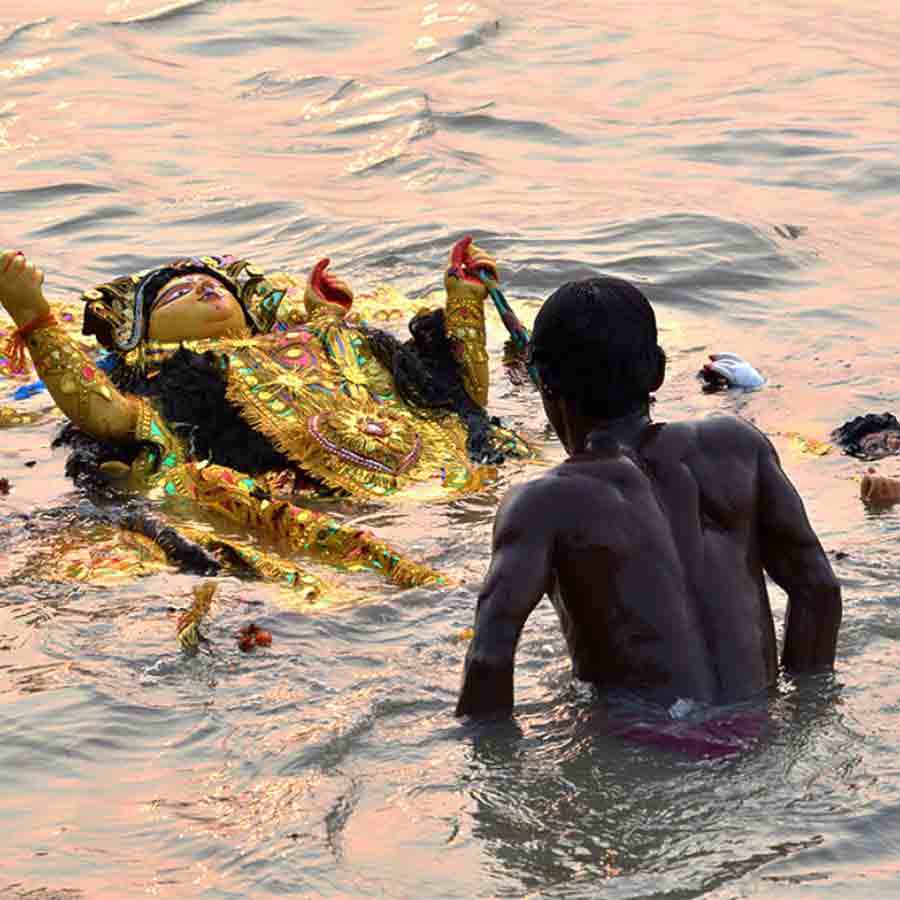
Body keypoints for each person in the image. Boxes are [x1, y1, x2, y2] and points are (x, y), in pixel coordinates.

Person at [0, 240, 529, 594]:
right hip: (315, 507)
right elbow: (106, 416)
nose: (205, 289)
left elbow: (452, 400)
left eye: (216, 287)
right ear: (141, 335)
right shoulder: (176, 380)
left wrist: (464, 301)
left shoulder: (330, 337)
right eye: (179, 294)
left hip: (454, 481)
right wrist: (33, 315)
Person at [456, 276, 841, 718]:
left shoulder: (543, 503)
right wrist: (797, 716)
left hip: (647, 747)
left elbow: (489, 656)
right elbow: (819, 590)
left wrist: (484, 772)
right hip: (758, 732)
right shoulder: (738, 446)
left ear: (542, 383)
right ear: (657, 371)